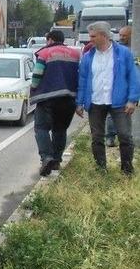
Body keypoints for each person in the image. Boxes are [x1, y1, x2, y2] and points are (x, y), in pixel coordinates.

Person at [76, 21, 140, 176]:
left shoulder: (123, 53)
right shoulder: (87, 57)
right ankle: (101, 169)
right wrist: (79, 102)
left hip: (119, 102)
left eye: (93, 36)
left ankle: (127, 170)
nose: (90, 39)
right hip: (96, 102)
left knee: (125, 136)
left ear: (104, 36)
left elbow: (133, 77)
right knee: (97, 137)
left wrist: (132, 99)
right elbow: (83, 81)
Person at [30, 30, 80, 176]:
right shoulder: (75, 54)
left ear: (50, 40)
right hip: (68, 99)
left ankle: (46, 157)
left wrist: (33, 87)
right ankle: (57, 160)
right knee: (60, 130)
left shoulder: (45, 53)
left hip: (47, 99)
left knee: (41, 128)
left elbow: (37, 75)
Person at [104, 25, 133, 146]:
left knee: (128, 112)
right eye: (120, 35)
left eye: (124, 35)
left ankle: (127, 138)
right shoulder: (115, 49)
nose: (121, 37)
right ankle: (110, 137)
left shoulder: (134, 48)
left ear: (132, 36)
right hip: (117, 85)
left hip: (131, 85)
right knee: (112, 112)